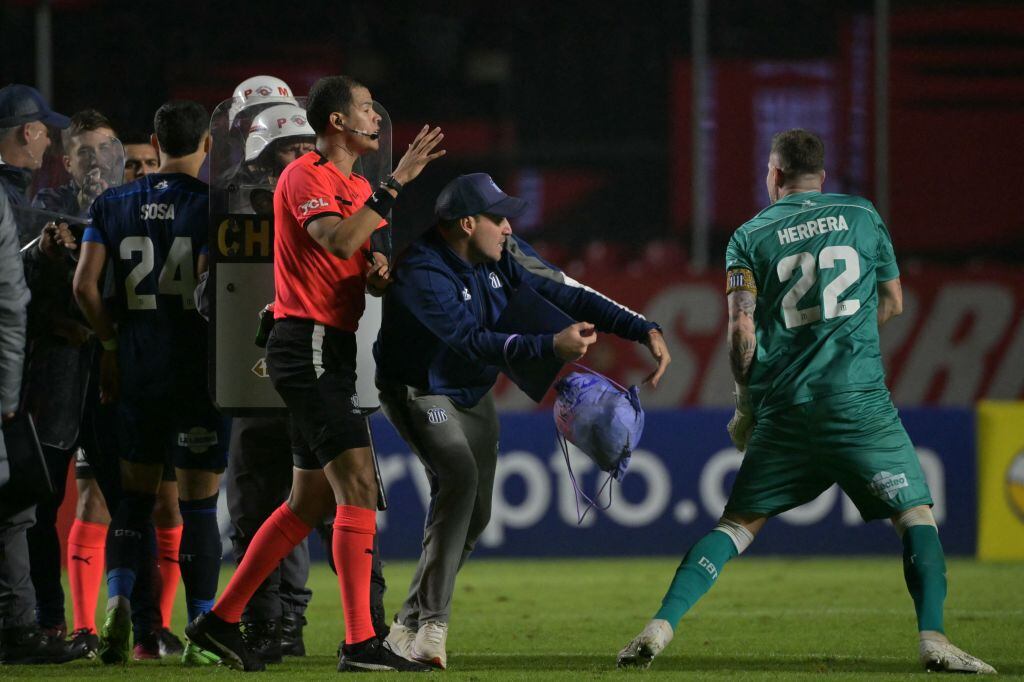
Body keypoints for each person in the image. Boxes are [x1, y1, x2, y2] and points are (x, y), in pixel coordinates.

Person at [616, 129, 996, 675]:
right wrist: (844, 340)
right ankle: (933, 638)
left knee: (736, 526)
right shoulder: (862, 214)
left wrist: (746, 405)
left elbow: (741, 330)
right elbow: (893, 301)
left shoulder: (750, 236)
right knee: (915, 516)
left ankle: (660, 625)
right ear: (823, 174)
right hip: (859, 404)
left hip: (786, 408)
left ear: (774, 174)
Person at [186, 74, 444, 673]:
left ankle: (219, 621)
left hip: (332, 345)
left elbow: (363, 260)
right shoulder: (305, 175)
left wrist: (377, 273)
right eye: (364, 108)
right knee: (358, 487)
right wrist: (396, 184)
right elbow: (336, 241)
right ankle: (360, 642)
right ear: (336, 122)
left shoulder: (356, 185)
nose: (374, 117)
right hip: (308, 344)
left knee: (307, 502)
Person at [374, 173, 671, 670]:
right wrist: (550, 346)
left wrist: (642, 328)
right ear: (466, 224)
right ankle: (432, 628)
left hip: (472, 393)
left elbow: (568, 290)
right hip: (420, 391)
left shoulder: (503, 253)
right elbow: (471, 341)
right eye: (498, 218)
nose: (509, 227)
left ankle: (405, 625)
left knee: (477, 515)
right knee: (458, 475)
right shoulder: (421, 271)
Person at [73, 100, 226, 666]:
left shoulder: (112, 203)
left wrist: (111, 346)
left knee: (133, 504)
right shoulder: (213, 206)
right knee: (199, 509)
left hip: (135, 371)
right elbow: (211, 288)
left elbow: (83, 287)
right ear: (207, 145)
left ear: (155, 145)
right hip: (195, 375)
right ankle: (201, 632)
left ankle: (116, 607)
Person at [0, 83, 76, 666]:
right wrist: (8, 393)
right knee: (14, 508)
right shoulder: (7, 196)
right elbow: (9, 302)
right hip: (10, 383)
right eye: (45, 131)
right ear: (28, 132)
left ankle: (22, 627)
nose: (49, 141)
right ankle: (20, 631)